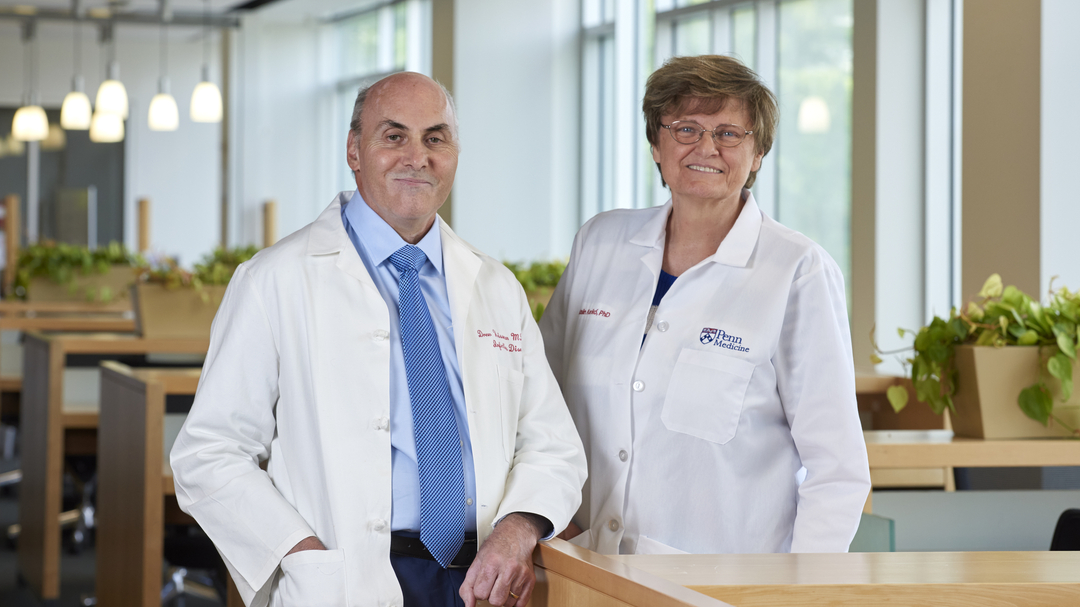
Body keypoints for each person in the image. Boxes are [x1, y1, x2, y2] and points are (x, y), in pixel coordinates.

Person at [171, 72, 586, 607]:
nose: (418, 156)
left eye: (435, 138)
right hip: (344, 578)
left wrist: (517, 530)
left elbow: (551, 444)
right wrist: (301, 554)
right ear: (354, 151)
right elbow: (209, 452)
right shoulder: (274, 280)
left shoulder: (495, 285)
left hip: (481, 578)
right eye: (394, 136)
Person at [539, 55, 870, 556]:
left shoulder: (797, 271)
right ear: (656, 143)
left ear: (758, 153)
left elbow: (837, 469)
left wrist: (796, 591)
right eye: (685, 128)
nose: (707, 148)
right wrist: (544, 517)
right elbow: (540, 402)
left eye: (729, 133)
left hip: (723, 586)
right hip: (583, 570)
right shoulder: (600, 243)